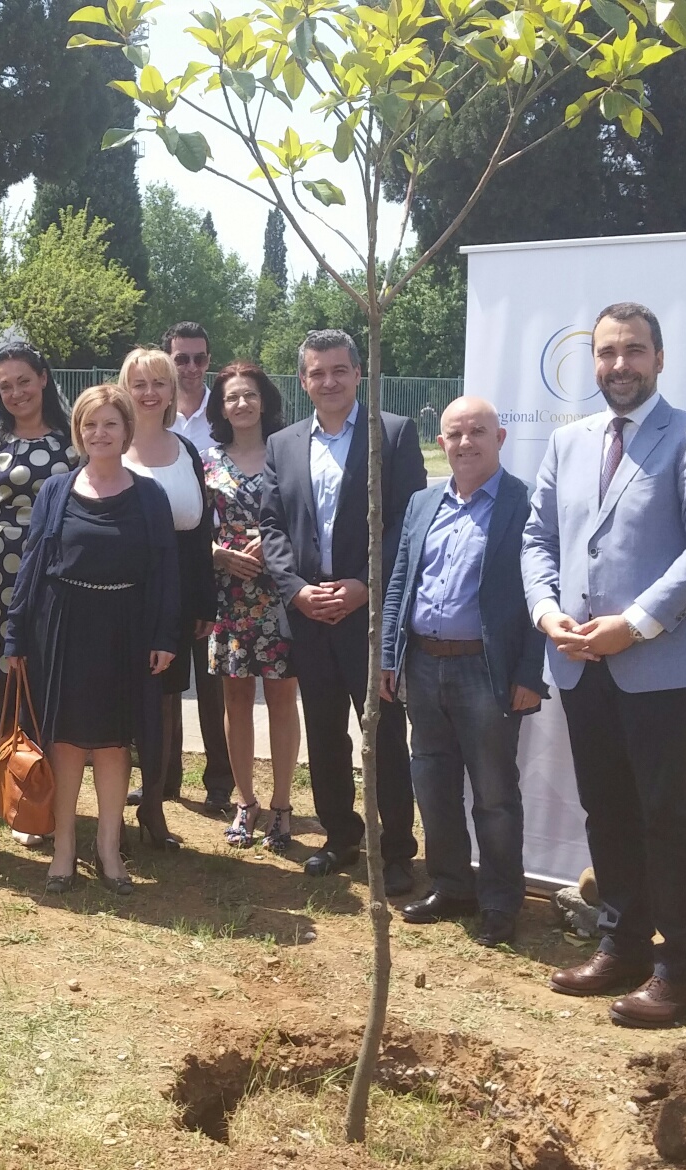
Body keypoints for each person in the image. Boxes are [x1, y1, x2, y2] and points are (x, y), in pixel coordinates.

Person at [522, 302, 686, 1028]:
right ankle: (623, 946)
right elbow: (538, 539)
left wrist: (635, 624)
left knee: (667, 818)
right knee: (607, 810)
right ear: (594, 361)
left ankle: (682, 972)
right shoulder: (570, 441)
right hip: (580, 663)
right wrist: (546, 611)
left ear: (659, 358)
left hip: (658, 669)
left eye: (634, 352)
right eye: (608, 353)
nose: (620, 365)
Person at [258, 330, 425, 893]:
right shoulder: (281, 445)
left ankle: (398, 849)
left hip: (369, 616)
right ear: (303, 381)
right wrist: (296, 589)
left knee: (383, 733)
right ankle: (340, 836)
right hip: (309, 612)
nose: (328, 381)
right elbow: (272, 526)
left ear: (358, 374)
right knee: (325, 730)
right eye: (316, 373)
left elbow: (407, 524)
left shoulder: (394, 435)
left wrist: (365, 586)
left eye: (338, 370)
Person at [379, 397, 545, 947]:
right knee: (433, 783)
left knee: (495, 794)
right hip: (423, 665)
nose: (466, 442)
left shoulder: (525, 504)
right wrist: (389, 657)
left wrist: (529, 672)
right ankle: (452, 885)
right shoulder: (423, 502)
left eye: (478, 431)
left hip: (487, 671)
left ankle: (499, 900)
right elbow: (400, 581)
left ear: (501, 437)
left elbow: (539, 595)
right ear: (441, 441)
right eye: (455, 433)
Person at [3, 385, 180, 895]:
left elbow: (166, 571)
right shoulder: (57, 490)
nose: (99, 434)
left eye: (110, 425)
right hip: (62, 628)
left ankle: (107, 848)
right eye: (90, 425)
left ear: (126, 431)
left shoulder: (150, 495)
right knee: (65, 741)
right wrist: (16, 633)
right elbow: (33, 565)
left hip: (125, 628)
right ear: (79, 431)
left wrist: (165, 635)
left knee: (111, 742)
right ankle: (62, 848)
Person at [0, 342, 78, 765]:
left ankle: (45, 778)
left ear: (43, 378)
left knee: (51, 674)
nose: (16, 392)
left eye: (24, 381)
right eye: (5, 386)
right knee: (5, 679)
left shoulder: (74, 442)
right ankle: (0, 773)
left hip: (60, 570)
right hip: (0, 574)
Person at [199, 362, 300, 851]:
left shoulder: (290, 453)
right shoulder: (205, 461)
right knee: (235, 701)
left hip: (280, 593)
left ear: (265, 400)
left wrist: (275, 542)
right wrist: (217, 554)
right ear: (220, 407)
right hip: (229, 595)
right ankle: (245, 801)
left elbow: (310, 516)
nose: (241, 404)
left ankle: (282, 805)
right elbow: (190, 528)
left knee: (282, 698)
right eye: (231, 397)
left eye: (250, 395)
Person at [119, 346, 215, 849]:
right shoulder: (108, 445)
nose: (150, 393)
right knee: (113, 709)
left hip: (172, 599)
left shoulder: (187, 451)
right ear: (125, 388)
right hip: (114, 597)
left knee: (163, 707)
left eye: (160, 383)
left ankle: (153, 807)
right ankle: (110, 812)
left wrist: (203, 604)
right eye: (140, 384)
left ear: (172, 391)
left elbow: (199, 534)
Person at [162, 322, 236, 812]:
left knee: (213, 686)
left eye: (199, 358)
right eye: (181, 358)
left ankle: (220, 784)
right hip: (164, 568)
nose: (190, 368)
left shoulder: (227, 414)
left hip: (222, 570)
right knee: (163, 682)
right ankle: (163, 779)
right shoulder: (149, 414)